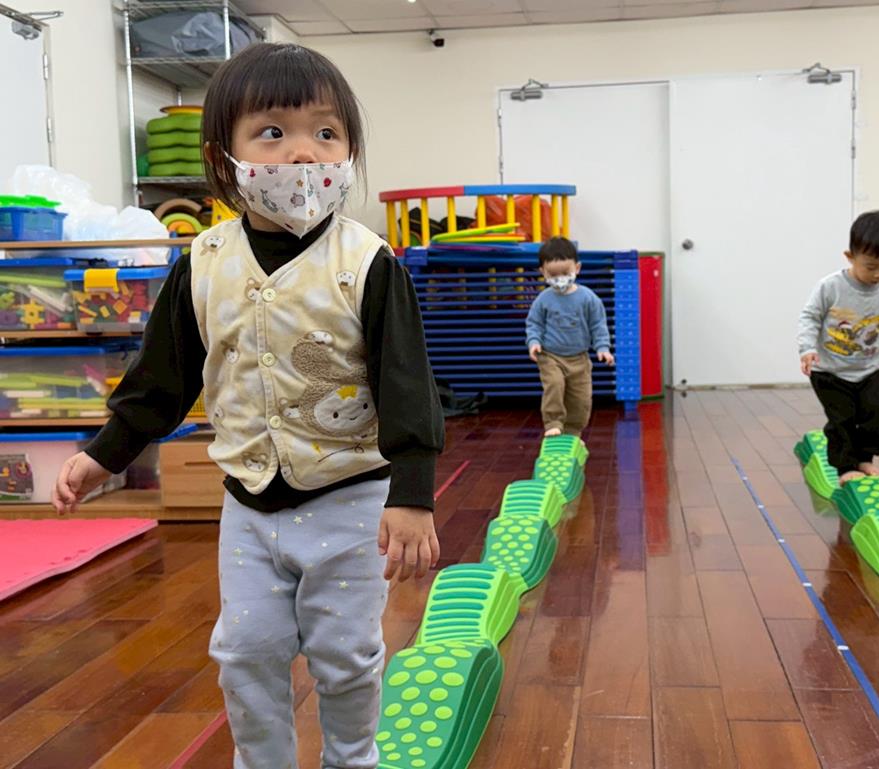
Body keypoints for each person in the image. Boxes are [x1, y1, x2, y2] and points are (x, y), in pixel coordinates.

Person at [51, 42, 445, 769]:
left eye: (326, 132)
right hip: (248, 506)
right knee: (246, 651)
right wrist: (104, 453)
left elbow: (406, 382)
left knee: (345, 655)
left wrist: (412, 493)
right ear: (222, 158)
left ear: (350, 151)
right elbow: (162, 377)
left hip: (351, 498)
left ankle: (351, 757)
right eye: (272, 132)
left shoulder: (366, 263)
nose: (303, 152)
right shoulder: (203, 263)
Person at [798, 210, 879, 485]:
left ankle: (865, 458)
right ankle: (846, 467)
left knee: (877, 414)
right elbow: (810, 318)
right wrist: (807, 349)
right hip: (829, 372)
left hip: (868, 370)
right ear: (850, 256)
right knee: (842, 419)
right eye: (871, 267)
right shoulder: (830, 287)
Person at [526, 237, 614, 437]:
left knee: (581, 399)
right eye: (553, 275)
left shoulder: (588, 298)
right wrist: (534, 342)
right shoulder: (543, 299)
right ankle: (553, 422)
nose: (560, 279)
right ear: (543, 272)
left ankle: (573, 431)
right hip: (550, 356)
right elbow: (534, 323)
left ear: (577, 268)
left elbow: (598, 325)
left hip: (579, 358)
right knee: (554, 384)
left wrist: (603, 348)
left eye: (566, 273)